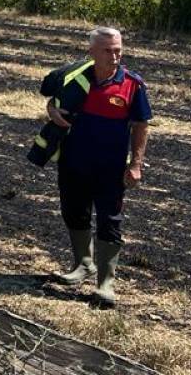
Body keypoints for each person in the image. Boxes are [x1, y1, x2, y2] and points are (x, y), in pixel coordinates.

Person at [45, 26, 152, 306]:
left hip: (111, 168)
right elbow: (53, 102)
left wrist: (136, 164)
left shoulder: (132, 84)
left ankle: (106, 283)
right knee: (74, 212)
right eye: (107, 50)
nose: (114, 56)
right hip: (73, 161)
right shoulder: (75, 78)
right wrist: (52, 112)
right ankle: (83, 264)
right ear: (91, 51)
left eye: (118, 50)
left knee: (110, 221)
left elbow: (141, 125)